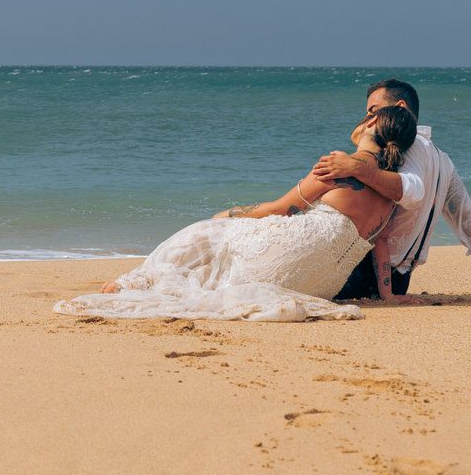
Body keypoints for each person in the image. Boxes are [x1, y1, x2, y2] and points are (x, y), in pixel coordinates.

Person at [53, 106, 421, 322]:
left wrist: (230, 214)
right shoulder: (392, 191)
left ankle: (133, 282)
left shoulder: (339, 163)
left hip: (291, 255)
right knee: (228, 251)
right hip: (322, 285)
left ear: (372, 124)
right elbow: (382, 242)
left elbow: (279, 209)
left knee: (210, 230)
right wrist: (387, 296)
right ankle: (143, 281)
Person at [311, 78, 471, 301]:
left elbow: (413, 189)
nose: (367, 119)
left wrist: (357, 168)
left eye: (373, 110)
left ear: (400, 107)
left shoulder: (409, 147)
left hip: (363, 275)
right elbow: (469, 221)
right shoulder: (443, 160)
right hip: (399, 281)